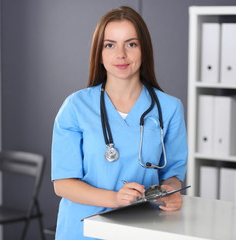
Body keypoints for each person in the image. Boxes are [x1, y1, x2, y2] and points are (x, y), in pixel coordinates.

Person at [51, 6, 187, 240]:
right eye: (110, 45)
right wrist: (114, 199)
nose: (121, 54)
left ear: (144, 49)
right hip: (82, 230)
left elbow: (172, 175)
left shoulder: (170, 108)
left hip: (141, 228)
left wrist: (170, 192)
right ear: (99, 53)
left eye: (131, 44)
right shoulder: (76, 106)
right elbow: (62, 184)